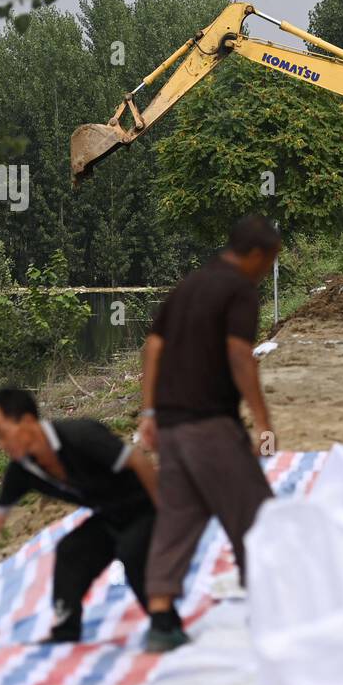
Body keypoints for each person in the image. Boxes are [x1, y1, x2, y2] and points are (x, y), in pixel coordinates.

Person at [138, 214, 281, 652]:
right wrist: (263, 421)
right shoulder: (239, 290)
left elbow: (153, 347)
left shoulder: (189, 285)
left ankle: (161, 618)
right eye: (269, 261)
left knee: (178, 518)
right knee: (255, 511)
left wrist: (148, 413)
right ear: (255, 255)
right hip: (208, 425)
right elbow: (239, 354)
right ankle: (275, 610)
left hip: (172, 425)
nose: (267, 271)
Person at [0, 388, 159, 643]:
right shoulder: (23, 470)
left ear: (27, 421)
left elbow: (139, 462)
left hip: (144, 508)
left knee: (131, 550)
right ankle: (65, 629)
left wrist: (166, 514)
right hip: (108, 516)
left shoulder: (79, 435)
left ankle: (164, 623)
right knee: (71, 551)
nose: (1, 445)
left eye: (3, 435)